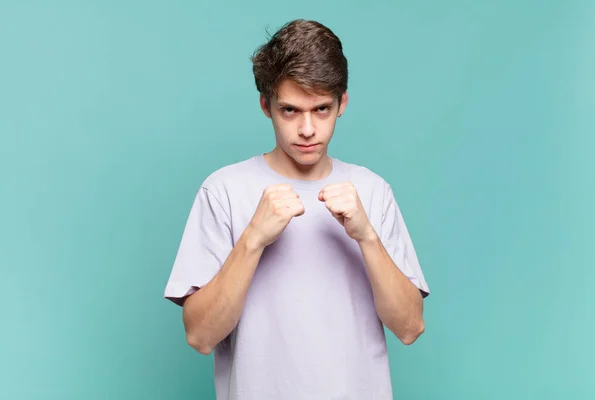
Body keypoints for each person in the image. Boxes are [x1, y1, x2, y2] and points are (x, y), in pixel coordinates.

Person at [164, 18, 430, 400]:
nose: (307, 129)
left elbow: (409, 328)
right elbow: (200, 336)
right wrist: (253, 239)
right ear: (265, 106)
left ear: (343, 104)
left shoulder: (372, 191)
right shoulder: (223, 190)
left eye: (321, 109)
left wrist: (366, 236)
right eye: (290, 111)